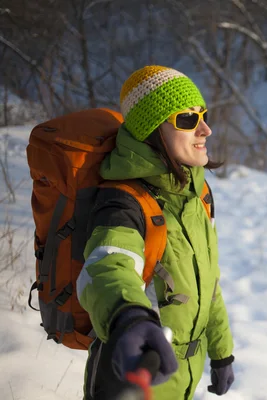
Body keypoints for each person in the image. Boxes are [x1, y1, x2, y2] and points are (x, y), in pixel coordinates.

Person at [77, 65, 235, 399]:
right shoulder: (123, 201)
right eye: (187, 119)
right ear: (152, 130)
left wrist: (221, 352)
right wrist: (130, 318)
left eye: (203, 115)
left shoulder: (198, 197)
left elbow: (209, 284)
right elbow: (108, 264)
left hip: (183, 377)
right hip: (135, 375)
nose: (205, 129)